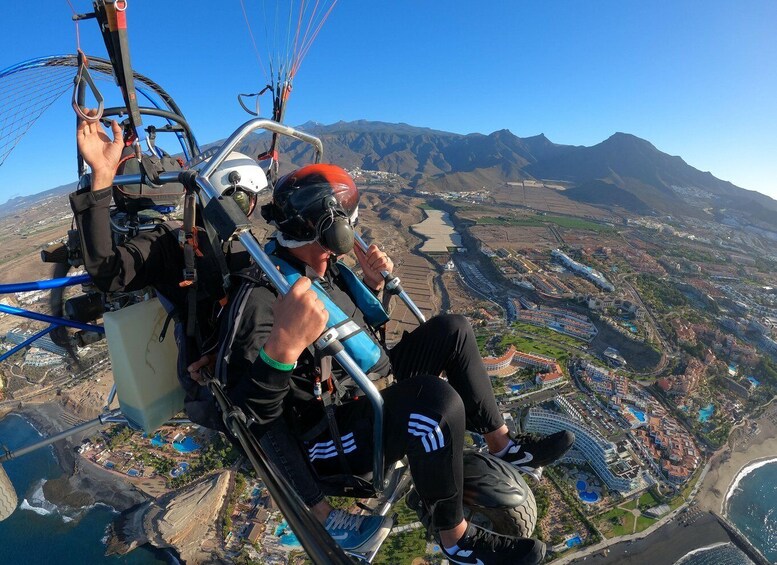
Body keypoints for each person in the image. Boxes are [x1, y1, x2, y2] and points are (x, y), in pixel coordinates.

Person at [218, 163, 576, 564]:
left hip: (367, 390)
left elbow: (356, 343)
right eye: (350, 216)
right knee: (435, 406)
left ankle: (503, 444)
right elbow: (249, 415)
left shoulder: (326, 271)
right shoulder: (265, 298)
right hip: (326, 437)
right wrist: (284, 347)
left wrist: (373, 287)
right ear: (331, 227)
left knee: (453, 330)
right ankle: (456, 540)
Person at [71, 112, 390, 552]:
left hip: (253, 339)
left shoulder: (248, 243)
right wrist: (101, 179)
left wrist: (372, 288)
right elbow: (108, 272)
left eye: (250, 200)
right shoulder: (170, 246)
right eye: (239, 198)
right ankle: (321, 516)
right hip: (214, 367)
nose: (246, 208)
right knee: (256, 409)